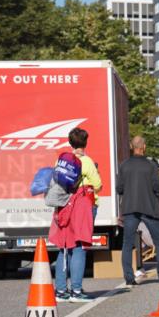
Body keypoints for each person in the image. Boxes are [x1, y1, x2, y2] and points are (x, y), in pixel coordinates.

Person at [52, 127, 98, 301]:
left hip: (63, 206)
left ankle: (61, 291)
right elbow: (97, 184)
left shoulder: (61, 160)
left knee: (63, 247)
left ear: (70, 142)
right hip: (80, 207)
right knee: (79, 247)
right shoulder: (86, 161)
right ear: (85, 142)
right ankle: (76, 291)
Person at [116, 136, 159, 286]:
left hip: (130, 207)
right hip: (149, 207)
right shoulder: (151, 166)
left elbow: (119, 189)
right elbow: (157, 188)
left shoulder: (124, 165)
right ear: (143, 147)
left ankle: (129, 278)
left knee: (127, 243)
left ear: (132, 147)